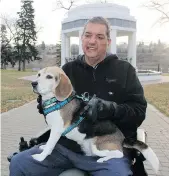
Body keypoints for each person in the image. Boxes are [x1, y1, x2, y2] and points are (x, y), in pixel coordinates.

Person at [9, 16, 147, 176]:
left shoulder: (125, 70)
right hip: (66, 147)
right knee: (19, 163)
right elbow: (54, 114)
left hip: (106, 147)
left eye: (99, 37)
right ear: (82, 39)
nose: (92, 41)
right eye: (88, 35)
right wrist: (44, 103)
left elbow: (139, 112)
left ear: (108, 42)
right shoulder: (67, 70)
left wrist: (111, 109)